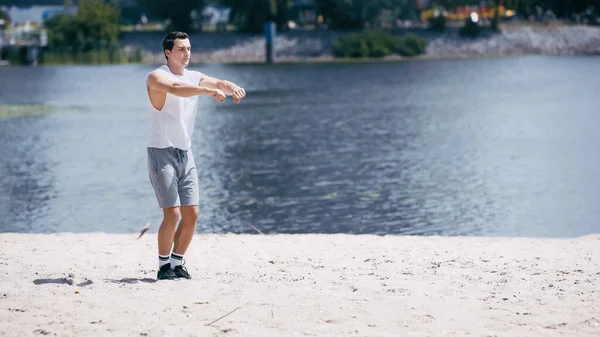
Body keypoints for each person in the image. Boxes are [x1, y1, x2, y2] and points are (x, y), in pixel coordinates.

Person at [145, 31, 246, 280]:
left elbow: (218, 83)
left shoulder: (194, 76)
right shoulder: (157, 76)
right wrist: (206, 92)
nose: (187, 53)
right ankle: (163, 267)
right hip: (162, 151)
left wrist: (231, 87)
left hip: (185, 153)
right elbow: (176, 88)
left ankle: (178, 263)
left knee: (192, 213)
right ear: (168, 52)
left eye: (189, 48)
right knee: (173, 213)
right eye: (181, 49)